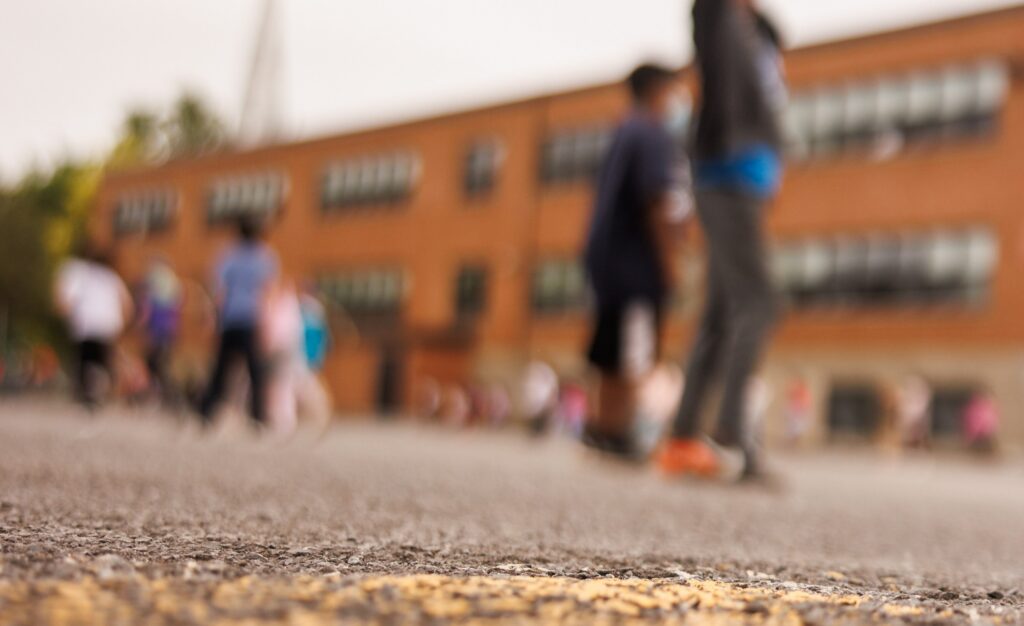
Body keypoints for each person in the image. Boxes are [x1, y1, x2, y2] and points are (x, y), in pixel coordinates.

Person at [657, 0, 786, 481]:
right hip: (727, 175)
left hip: (743, 182)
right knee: (760, 301)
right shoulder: (718, 14)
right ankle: (728, 435)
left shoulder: (758, 34)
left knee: (719, 309)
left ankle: (683, 438)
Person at [581, 63, 690, 460]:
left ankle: (604, 427)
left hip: (608, 261)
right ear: (660, 91)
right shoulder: (653, 134)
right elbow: (657, 202)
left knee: (610, 351)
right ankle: (624, 431)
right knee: (636, 353)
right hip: (636, 265)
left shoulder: (623, 131)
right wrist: (670, 263)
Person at [198, 216, 278, 427]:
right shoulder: (264, 257)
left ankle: (206, 413)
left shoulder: (228, 255)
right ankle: (258, 417)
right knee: (256, 371)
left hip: (230, 319)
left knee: (221, 369)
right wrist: (267, 323)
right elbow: (267, 293)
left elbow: (219, 291)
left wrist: (213, 317)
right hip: (251, 319)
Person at [54, 240, 134, 409]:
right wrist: (124, 324)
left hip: (86, 323)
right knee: (101, 360)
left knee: (86, 359)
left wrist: (65, 312)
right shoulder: (110, 276)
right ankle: (98, 390)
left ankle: (89, 392)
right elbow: (127, 303)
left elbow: (64, 298)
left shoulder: (76, 270)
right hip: (107, 324)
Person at [139, 258, 183, 409]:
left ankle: (159, 392)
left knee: (153, 361)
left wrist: (142, 323)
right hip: (169, 327)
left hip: (157, 325)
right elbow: (177, 306)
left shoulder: (154, 279)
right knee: (163, 362)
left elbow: (147, 306)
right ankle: (165, 393)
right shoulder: (173, 280)